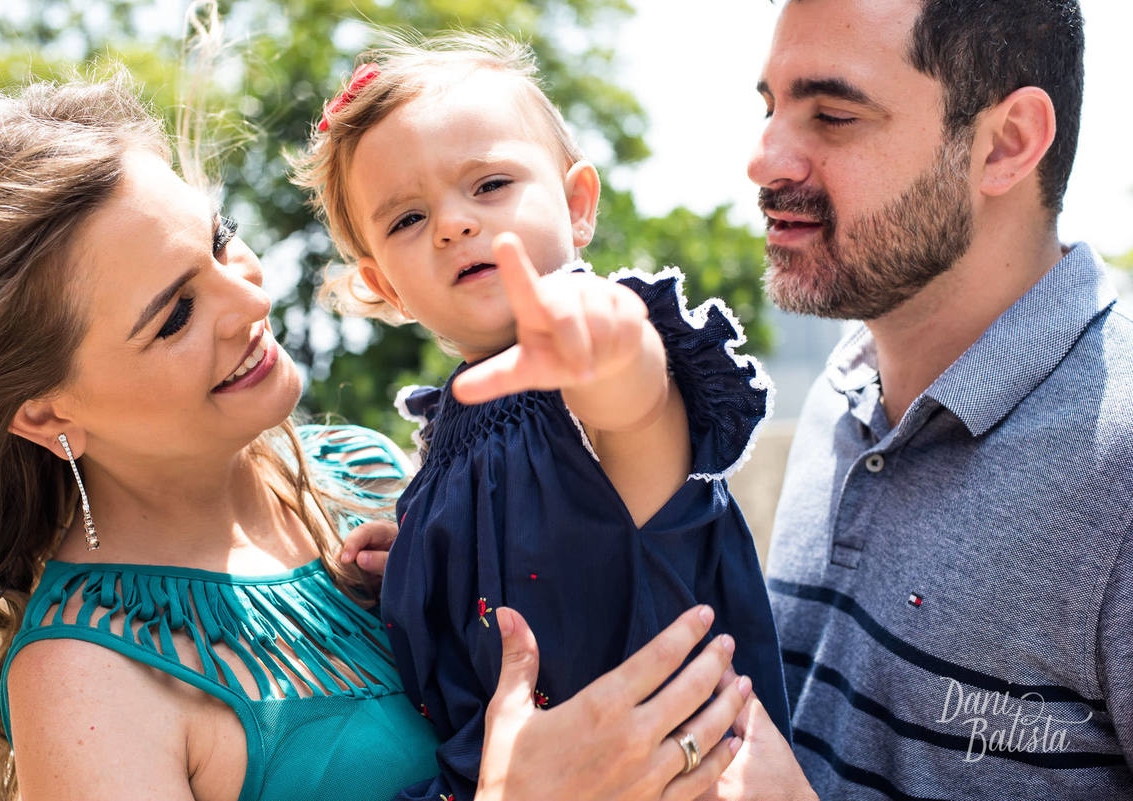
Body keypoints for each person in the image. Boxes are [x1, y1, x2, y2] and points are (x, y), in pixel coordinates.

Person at [0, 74, 754, 801]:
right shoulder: (80, 680)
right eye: (176, 315)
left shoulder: (365, 472)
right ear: (46, 414)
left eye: (220, 242)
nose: (251, 303)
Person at [292, 34, 789, 801]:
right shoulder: (456, 433)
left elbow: (637, 418)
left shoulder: (590, 371)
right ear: (384, 288)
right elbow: (538, 553)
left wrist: (615, 349)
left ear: (578, 203)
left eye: (489, 183)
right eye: (407, 219)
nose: (455, 223)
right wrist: (431, 559)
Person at [718, 0, 1133, 798]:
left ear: (1006, 144)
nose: (764, 159)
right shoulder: (847, 388)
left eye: (832, 114)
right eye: (771, 108)